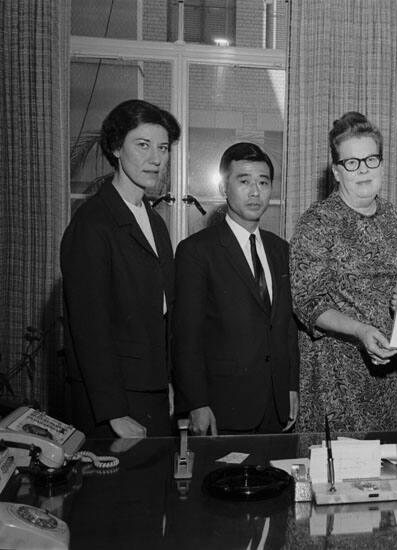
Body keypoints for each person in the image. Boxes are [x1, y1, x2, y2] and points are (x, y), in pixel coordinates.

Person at [61, 99, 181, 438]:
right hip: (112, 401)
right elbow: (89, 326)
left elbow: (162, 314)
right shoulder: (92, 223)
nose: (156, 159)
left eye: (162, 148)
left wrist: (168, 382)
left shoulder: (155, 222)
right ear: (116, 147)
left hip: (151, 389)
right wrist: (113, 412)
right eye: (142, 145)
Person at [290, 112, 397, 432]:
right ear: (336, 172)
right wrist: (359, 331)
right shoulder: (317, 222)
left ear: (382, 164)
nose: (363, 170)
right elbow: (307, 304)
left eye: (371, 160)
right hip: (334, 381)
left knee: (382, 475)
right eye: (352, 163)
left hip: (386, 376)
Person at [172, 143, 299, 435]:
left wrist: (290, 386)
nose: (255, 191)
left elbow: (287, 327)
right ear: (223, 187)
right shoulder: (196, 251)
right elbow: (185, 337)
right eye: (244, 181)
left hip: (276, 406)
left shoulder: (282, 250)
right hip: (222, 406)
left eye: (263, 182)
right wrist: (196, 403)